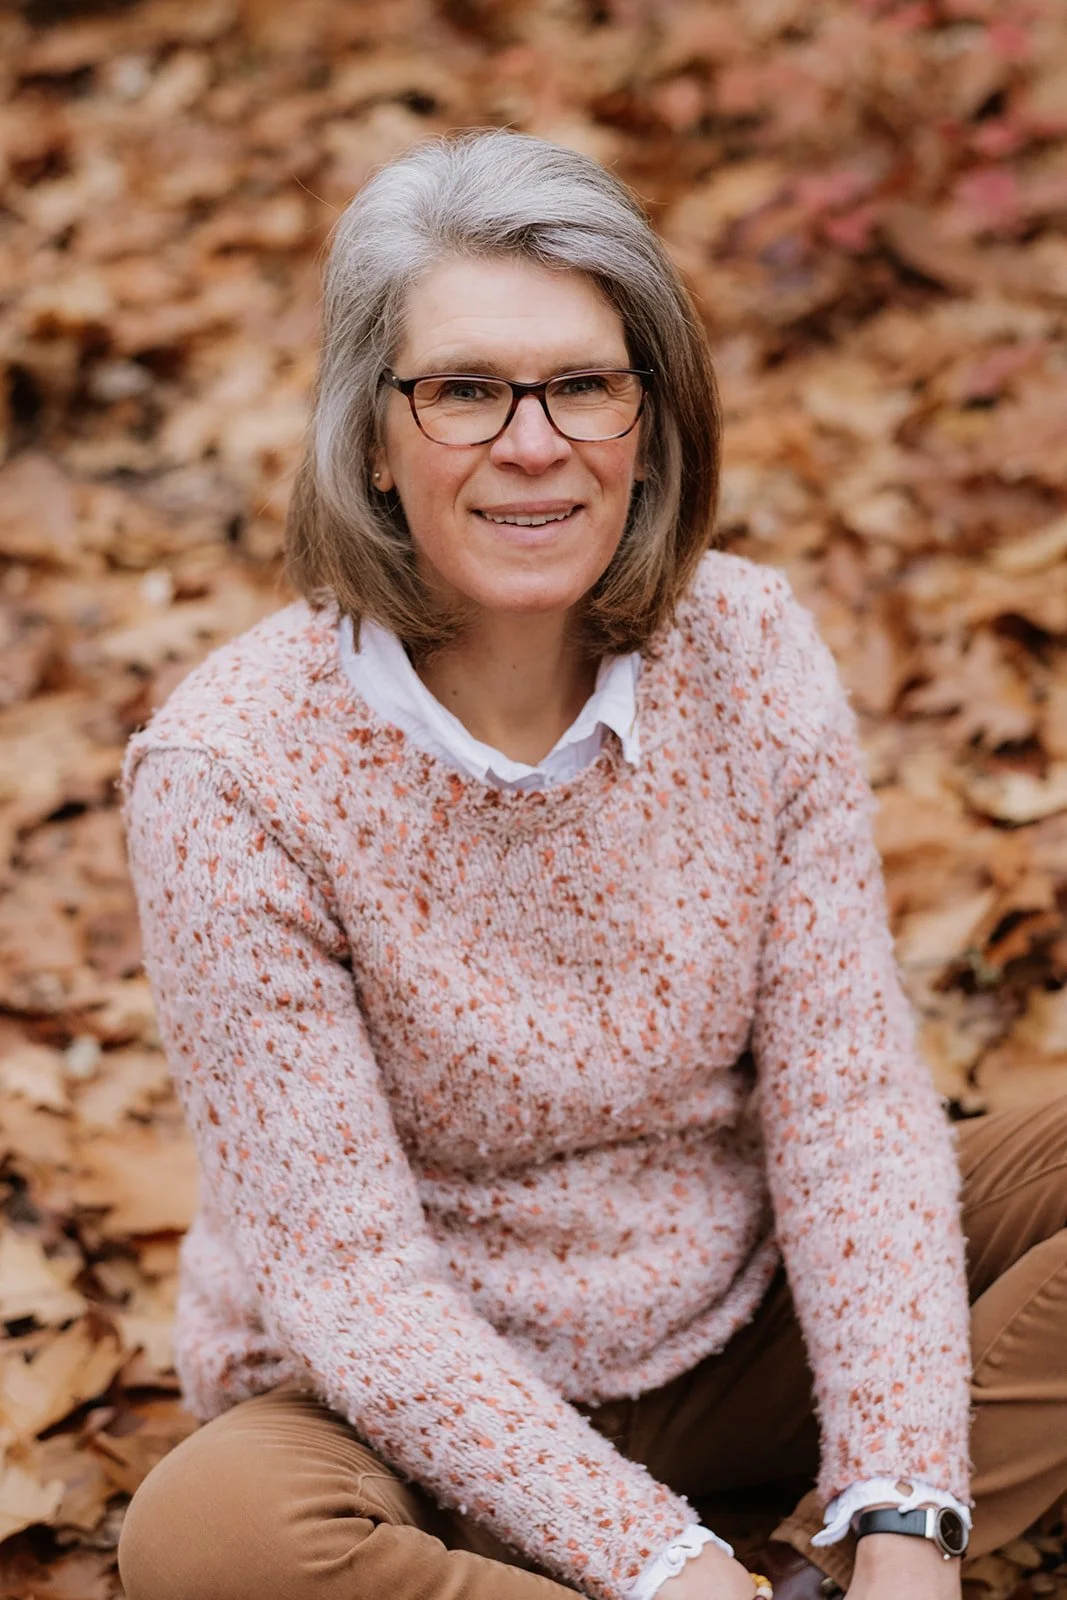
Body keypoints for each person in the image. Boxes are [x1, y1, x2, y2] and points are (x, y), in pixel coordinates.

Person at [115, 130, 1067, 1600]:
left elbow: (852, 1109)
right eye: (464, 390)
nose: (534, 440)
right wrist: (661, 1564)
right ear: (370, 433)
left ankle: (825, 1555)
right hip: (411, 1421)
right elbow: (353, 1288)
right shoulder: (231, 772)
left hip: (740, 1328)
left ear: (649, 413)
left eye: (582, 384)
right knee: (209, 1544)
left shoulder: (745, 646)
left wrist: (905, 1512)